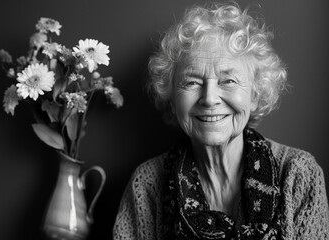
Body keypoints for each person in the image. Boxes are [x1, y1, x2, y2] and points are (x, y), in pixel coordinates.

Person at [113, 2, 329, 239]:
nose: (209, 99)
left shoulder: (297, 174)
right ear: (173, 100)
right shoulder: (147, 184)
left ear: (255, 95)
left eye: (228, 81)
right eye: (192, 82)